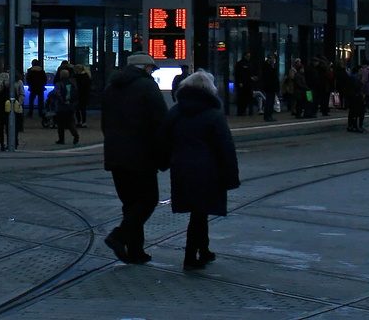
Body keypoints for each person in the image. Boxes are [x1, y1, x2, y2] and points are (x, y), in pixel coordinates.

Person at [157, 70, 240, 270]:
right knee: (200, 212)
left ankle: (203, 250)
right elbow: (225, 146)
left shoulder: (176, 111)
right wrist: (230, 176)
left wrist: (163, 162)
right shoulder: (213, 114)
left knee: (198, 212)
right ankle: (191, 255)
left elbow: (163, 140)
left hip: (181, 167)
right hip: (208, 170)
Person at [101, 51, 168, 264]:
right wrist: (163, 154)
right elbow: (160, 123)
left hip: (115, 154)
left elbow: (105, 123)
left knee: (130, 203)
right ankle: (119, 236)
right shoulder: (148, 87)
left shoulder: (111, 88)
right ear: (146, 68)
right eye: (151, 68)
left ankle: (135, 251)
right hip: (142, 155)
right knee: (148, 200)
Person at [0, 68, 23, 152]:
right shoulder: (11, 89)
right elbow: (18, 96)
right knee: (11, 127)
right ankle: (12, 143)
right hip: (9, 109)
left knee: (0, 128)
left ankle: (2, 144)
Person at [52, 70, 81, 145]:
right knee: (70, 121)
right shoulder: (72, 83)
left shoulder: (59, 83)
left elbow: (57, 93)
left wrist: (62, 101)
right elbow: (76, 94)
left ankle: (61, 139)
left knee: (60, 123)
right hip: (70, 106)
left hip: (61, 107)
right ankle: (75, 134)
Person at [258, 53, 280, 121]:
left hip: (272, 87)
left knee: (271, 102)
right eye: (271, 58)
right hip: (269, 87)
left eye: (273, 58)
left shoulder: (273, 66)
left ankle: (269, 115)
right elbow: (267, 77)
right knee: (269, 102)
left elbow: (275, 78)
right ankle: (268, 116)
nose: (273, 60)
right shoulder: (266, 67)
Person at [73, 63, 93, 128]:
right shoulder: (87, 76)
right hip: (84, 94)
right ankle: (84, 121)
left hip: (78, 94)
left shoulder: (77, 77)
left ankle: (79, 121)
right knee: (83, 109)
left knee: (77, 108)